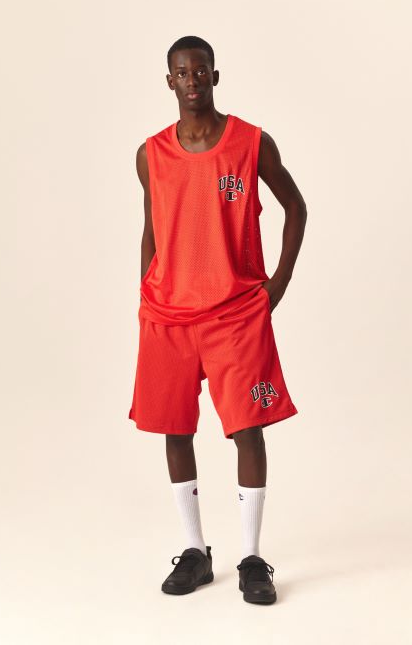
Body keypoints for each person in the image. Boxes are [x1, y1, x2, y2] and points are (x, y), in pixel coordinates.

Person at [128, 35, 307, 605]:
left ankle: (252, 559)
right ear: (170, 81)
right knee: (175, 430)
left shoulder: (251, 143)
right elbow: (152, 228)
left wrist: (276, 285)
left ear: (215, 75)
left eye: (201, 70)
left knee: (247, 429)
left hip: (234, 314)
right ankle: (196, 553)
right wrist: (147, 291)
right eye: (182, 73)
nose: (192, 80)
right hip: (168, 316)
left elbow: (296, 206)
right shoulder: (150, 154)